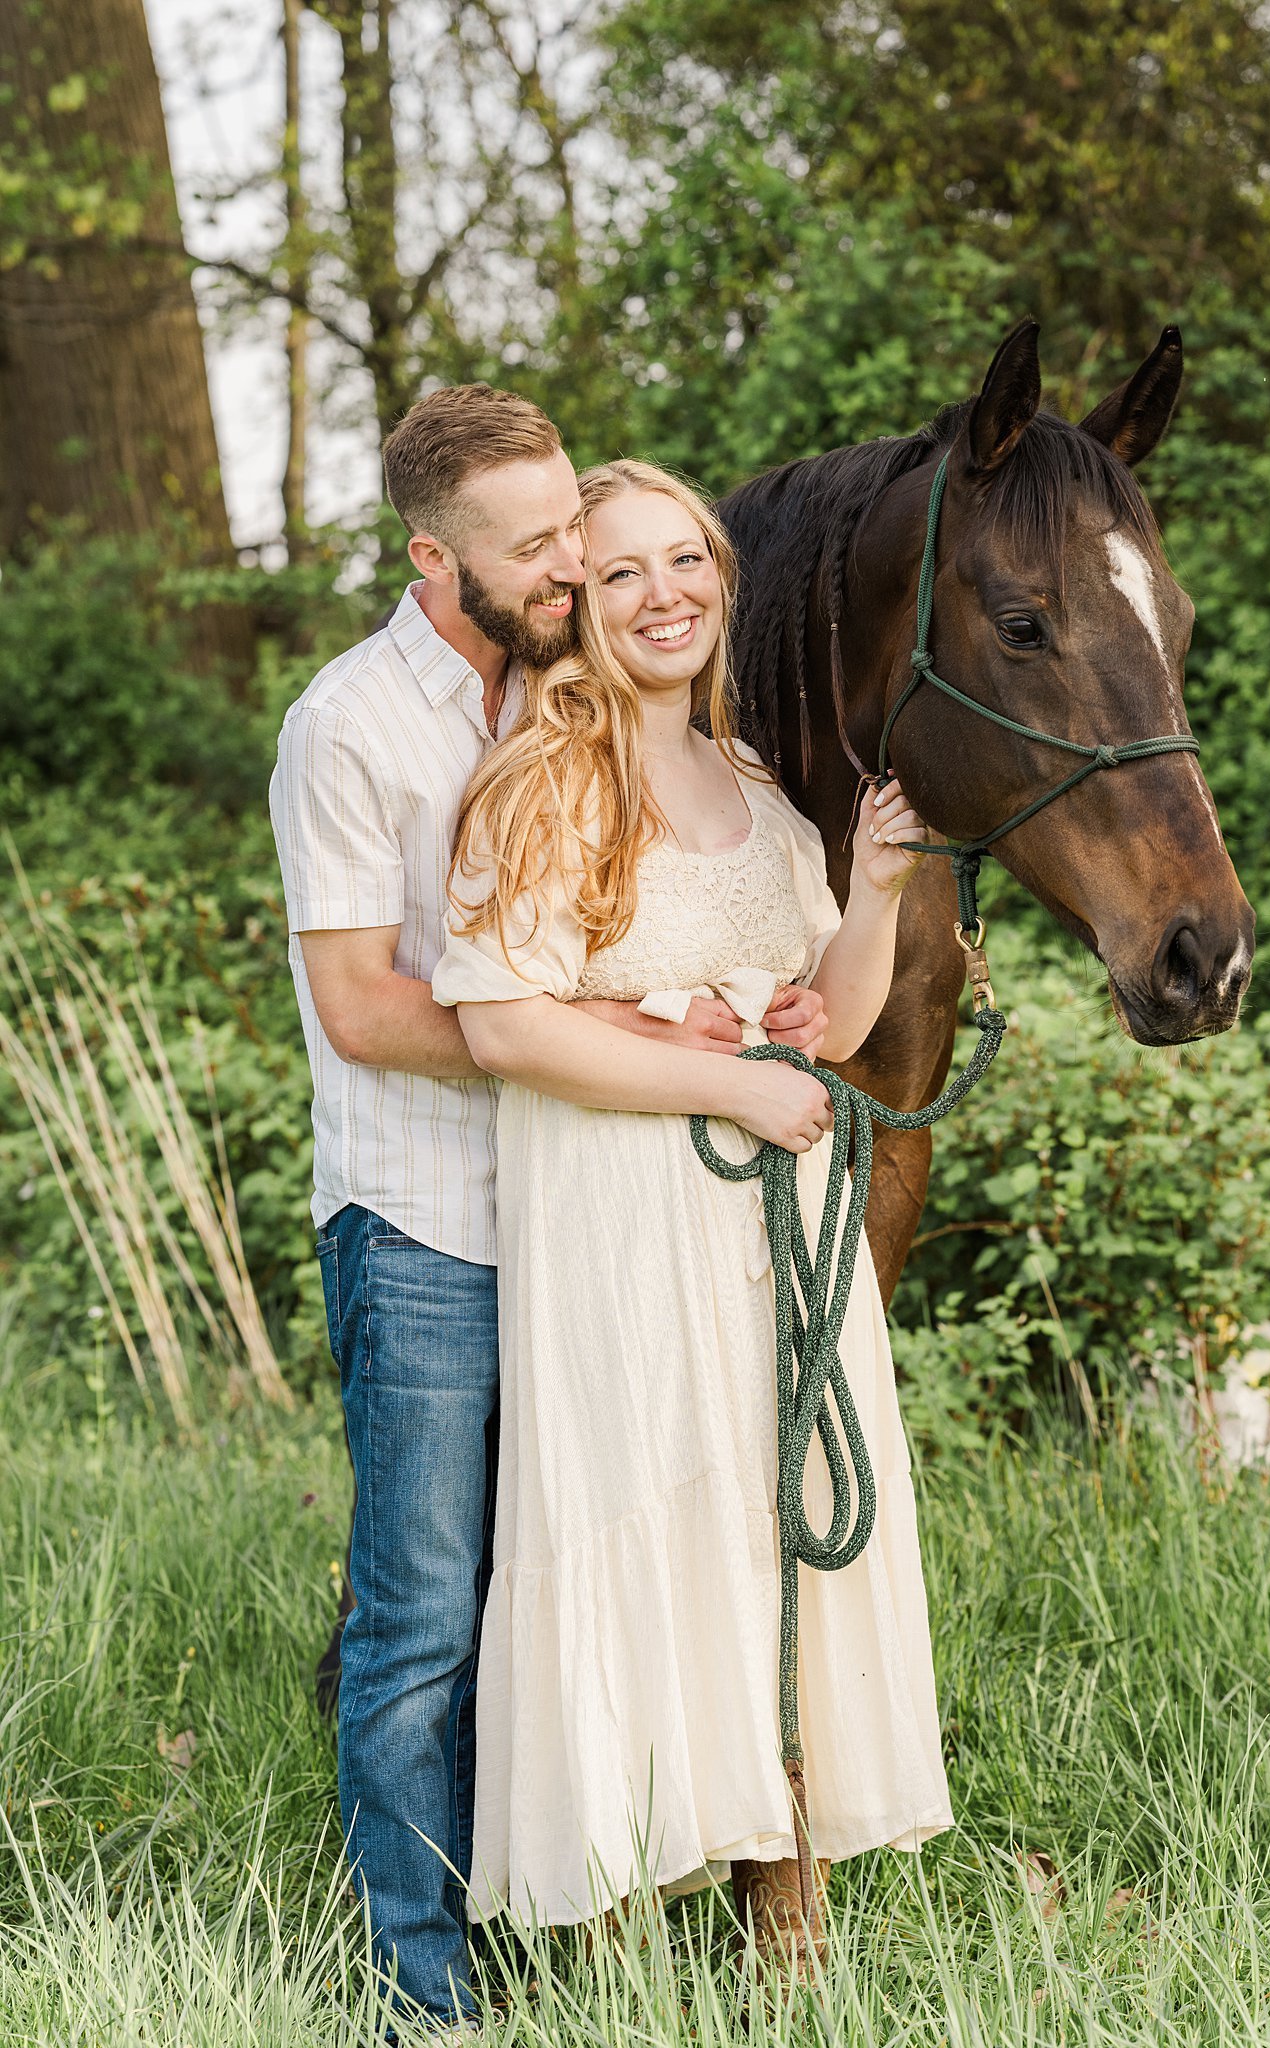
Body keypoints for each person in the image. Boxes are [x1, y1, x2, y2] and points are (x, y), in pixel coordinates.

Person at [268, 388, 825, 2036]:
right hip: (432, 1222)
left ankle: (572, 1911)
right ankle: (422, 1985)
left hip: (610, 1224)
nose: (575, 565)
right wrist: (613, 1040)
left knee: (584, 1578)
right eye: (537, 548)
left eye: (575, 528)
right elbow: (366, 1010)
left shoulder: (584, 691)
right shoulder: (351, 727)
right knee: (431, 1612)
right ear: (435, 555)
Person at [434, 459, 954, 1964]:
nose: (663, 595)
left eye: (686, 562)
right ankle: (611, 1917)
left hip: (770, 1244)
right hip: (620, 1230)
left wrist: (869, 887)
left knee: (775, 1535)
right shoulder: (544, 785)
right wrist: (726, 1092)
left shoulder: (762, 798)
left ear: (722, 580)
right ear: (577, 607)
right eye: (621, 573)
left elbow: (833, 1022)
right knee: (630, 1522)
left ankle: (784, 1916)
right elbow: (504, 1028)